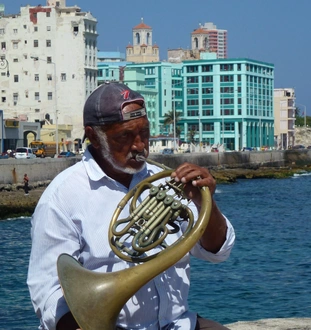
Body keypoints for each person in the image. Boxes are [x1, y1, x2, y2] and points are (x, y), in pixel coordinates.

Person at [27, 82, 235, 330]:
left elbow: (218, 252)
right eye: (124, 136)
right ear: (93, 136)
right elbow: (47, 292)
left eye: (144, 133)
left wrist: (205, 202)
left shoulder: (169, 181)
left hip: (178, 324)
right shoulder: (62, 197)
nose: (140, 146)